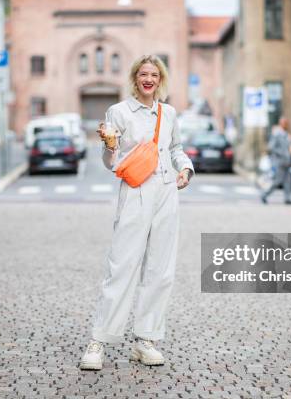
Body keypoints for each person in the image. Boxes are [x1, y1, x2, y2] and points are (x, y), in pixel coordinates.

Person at [79, 55, 195, 371]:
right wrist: (109, 145)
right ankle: (98, 341)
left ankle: (145, 340)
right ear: (135, 78)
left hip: (166, 190)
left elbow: (175, 149)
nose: (149, 79)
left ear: (160, 80)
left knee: (161, 268)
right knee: (122, 264)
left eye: (154, 75)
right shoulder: (118, 112)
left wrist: (185, 167)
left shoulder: (168, 113)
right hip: (136, 190)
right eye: (143, 74)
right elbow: (109, 161)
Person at [261, 117, 291, 205]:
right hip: (280, 161)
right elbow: (271, 147)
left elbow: (288, 148)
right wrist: (281, 154)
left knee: (288, 180)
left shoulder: (286, 134)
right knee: (278, 181)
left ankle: (287, 198)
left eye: (287, 123)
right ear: (281, 124)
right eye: (285, 123)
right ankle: (264, 195)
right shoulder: (277, 134)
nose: (286, 125)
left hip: (287, 161)